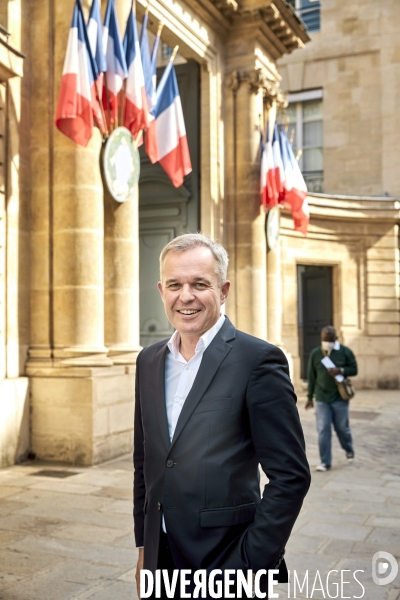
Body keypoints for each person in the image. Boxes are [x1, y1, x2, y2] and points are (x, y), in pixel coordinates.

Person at [134, 233, 311, 599]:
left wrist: (249, 564)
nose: (186, 296)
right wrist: (143, 549)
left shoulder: (258, 360)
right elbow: (146, 462)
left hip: (228, 559)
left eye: (200, 284)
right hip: (159, 557)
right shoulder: (148, 361)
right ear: (161, 290)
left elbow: (290, 477)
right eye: (174, 285)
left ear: (224, 289)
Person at [305, 325, 358, 472]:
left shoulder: (345, 352)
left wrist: (340, 370)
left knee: (342, 428)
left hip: (340, 397)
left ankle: (349, 449)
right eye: (324, 339)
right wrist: (310, 397)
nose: (326, 341)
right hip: (322, 398)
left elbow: (354, 369)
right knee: (323, 429)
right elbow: (311, 376)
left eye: (329, 339)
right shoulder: (316, 353)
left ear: (335, 338)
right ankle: (325, 462)